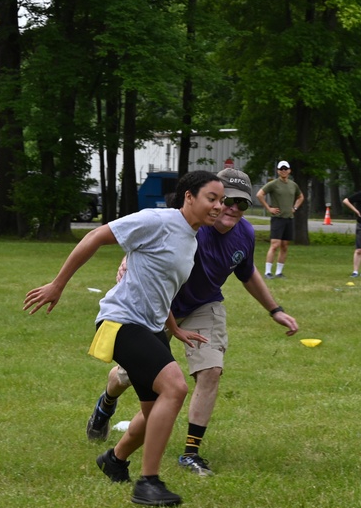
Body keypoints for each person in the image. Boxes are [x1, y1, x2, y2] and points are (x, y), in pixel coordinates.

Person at [24, 171, 225, 508]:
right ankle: (148, 483)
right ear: (189, 196)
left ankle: (114, 460)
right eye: (212, 198)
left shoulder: (190, 239)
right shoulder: (157, 220)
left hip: (152, 327)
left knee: (151, 414)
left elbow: (161, 290)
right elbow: (95, 236)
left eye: (222, 200)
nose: (219, 206)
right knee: (175, 388)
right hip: (120, 322)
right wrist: (58, 284)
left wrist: (174, 329)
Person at [86, 168, 299, 478]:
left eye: (241, 204)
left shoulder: (245, 234)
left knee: (210, 370)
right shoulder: (189, 222)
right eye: (225, 200)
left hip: (203, 303)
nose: (231, 209)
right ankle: (107, 403)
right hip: (161, 307)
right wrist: (128, 260)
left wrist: (274, 309)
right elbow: (143, 238)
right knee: (127, 376)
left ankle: (190, 453)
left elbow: (247, 271)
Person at [256, 160, 304, 279]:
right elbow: (259, 194)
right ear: (278, 171)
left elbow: (300, 196)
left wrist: (295, 207)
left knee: (284, 246)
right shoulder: (273, 184)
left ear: (289, 170)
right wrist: (269, 208)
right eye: (281, 169)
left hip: (289, 218)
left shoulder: (293, 185)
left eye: (285, 169)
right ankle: (268, 272)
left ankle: (279, 272)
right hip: (278, 218)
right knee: (275, 245)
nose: (283, 171)